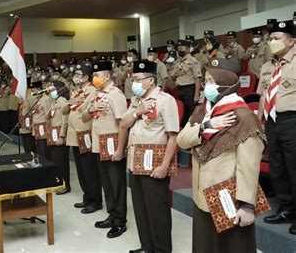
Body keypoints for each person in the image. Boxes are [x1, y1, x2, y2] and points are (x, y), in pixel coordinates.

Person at [177, 58, 265, 252]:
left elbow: (248, 166)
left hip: (230, 200)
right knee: (205, 245)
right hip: (202, 196)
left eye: (210, 81)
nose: (205, 86)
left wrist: (247, 206)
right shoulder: (203, 112)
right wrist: (207, 126)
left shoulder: (243, 117)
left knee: (231, 246)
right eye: (206, 80)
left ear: (225, 83)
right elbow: (182, 140)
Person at [120, 60, 179, 253]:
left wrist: (164, 166)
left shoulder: (165, 100)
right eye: (133, 78)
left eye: (137, 79)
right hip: (135, 159)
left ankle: (162, 249)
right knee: (140, 207)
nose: (134, 82)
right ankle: (147, 246)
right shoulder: (136, 100)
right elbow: (124, 124)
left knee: (157, 209)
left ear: (150, 81)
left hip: (155, 161)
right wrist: (137, 112)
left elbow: (173, 136)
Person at [257, 20, 296, 235]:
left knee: (294, 167)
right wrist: (260, 120)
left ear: (291, 41)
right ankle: (286, 208)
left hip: (293, 120)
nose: (271, 42)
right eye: (270, 38)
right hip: (272, 122)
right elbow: (264, 94)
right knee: (278, 167)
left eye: (277, 38)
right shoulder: (267, 65)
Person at [82, 60, 128, 239]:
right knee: (107, 183)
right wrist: (91, 108)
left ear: (107, 76)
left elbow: (122, 124)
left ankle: (120, 220)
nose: (94, 78)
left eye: (97, 75)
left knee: (117, 183)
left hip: (112, 143)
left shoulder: (115, 95)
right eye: (93, 75)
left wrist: (120, 149)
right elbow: (85, 117)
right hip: (98, 144)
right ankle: (112, 214)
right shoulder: (96, 94)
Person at [64, 62, 102, 213]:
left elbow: (85, 108)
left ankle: (95, 200)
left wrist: (75, 102)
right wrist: (72, 101)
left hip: (85, 132)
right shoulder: (75, 91)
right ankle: (87, 197)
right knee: (80, 168)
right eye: (75, 75)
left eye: (79, 75)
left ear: (87, 77)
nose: (76, 77)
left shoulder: (91, 91)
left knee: (89, 169)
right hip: (74, 133)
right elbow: (65, 109)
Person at [46, 80, 71, 195]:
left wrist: (62, 136)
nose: (52, 92)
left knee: (61, 162)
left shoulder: (63, 101)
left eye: (53, 90)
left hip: (60, 135)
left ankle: (65, 186)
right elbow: (49, 117)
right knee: (56, 161)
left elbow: (65, 120)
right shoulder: (55, 101)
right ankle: (59, 183)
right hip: (53, 134)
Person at [171, 39, 202, 127]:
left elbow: (198, 78)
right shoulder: (177, 62)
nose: (180, 50)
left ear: (188, 49)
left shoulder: (193, 61)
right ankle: (184, 130)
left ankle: (195, 129)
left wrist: (196, 94)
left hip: (190, 89)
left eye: (182, 48)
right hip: (180, 89)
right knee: (182, 111)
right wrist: (176, 74)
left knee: (191, 111)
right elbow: (172, 77)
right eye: (179, 48)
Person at [19, 79, 40, 154]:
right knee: (26, 148)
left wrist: (33, 123)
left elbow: (35, 110)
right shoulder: (24, 96)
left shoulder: (32, 96)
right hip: (24, 127)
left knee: (30, 148)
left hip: (29, 128)